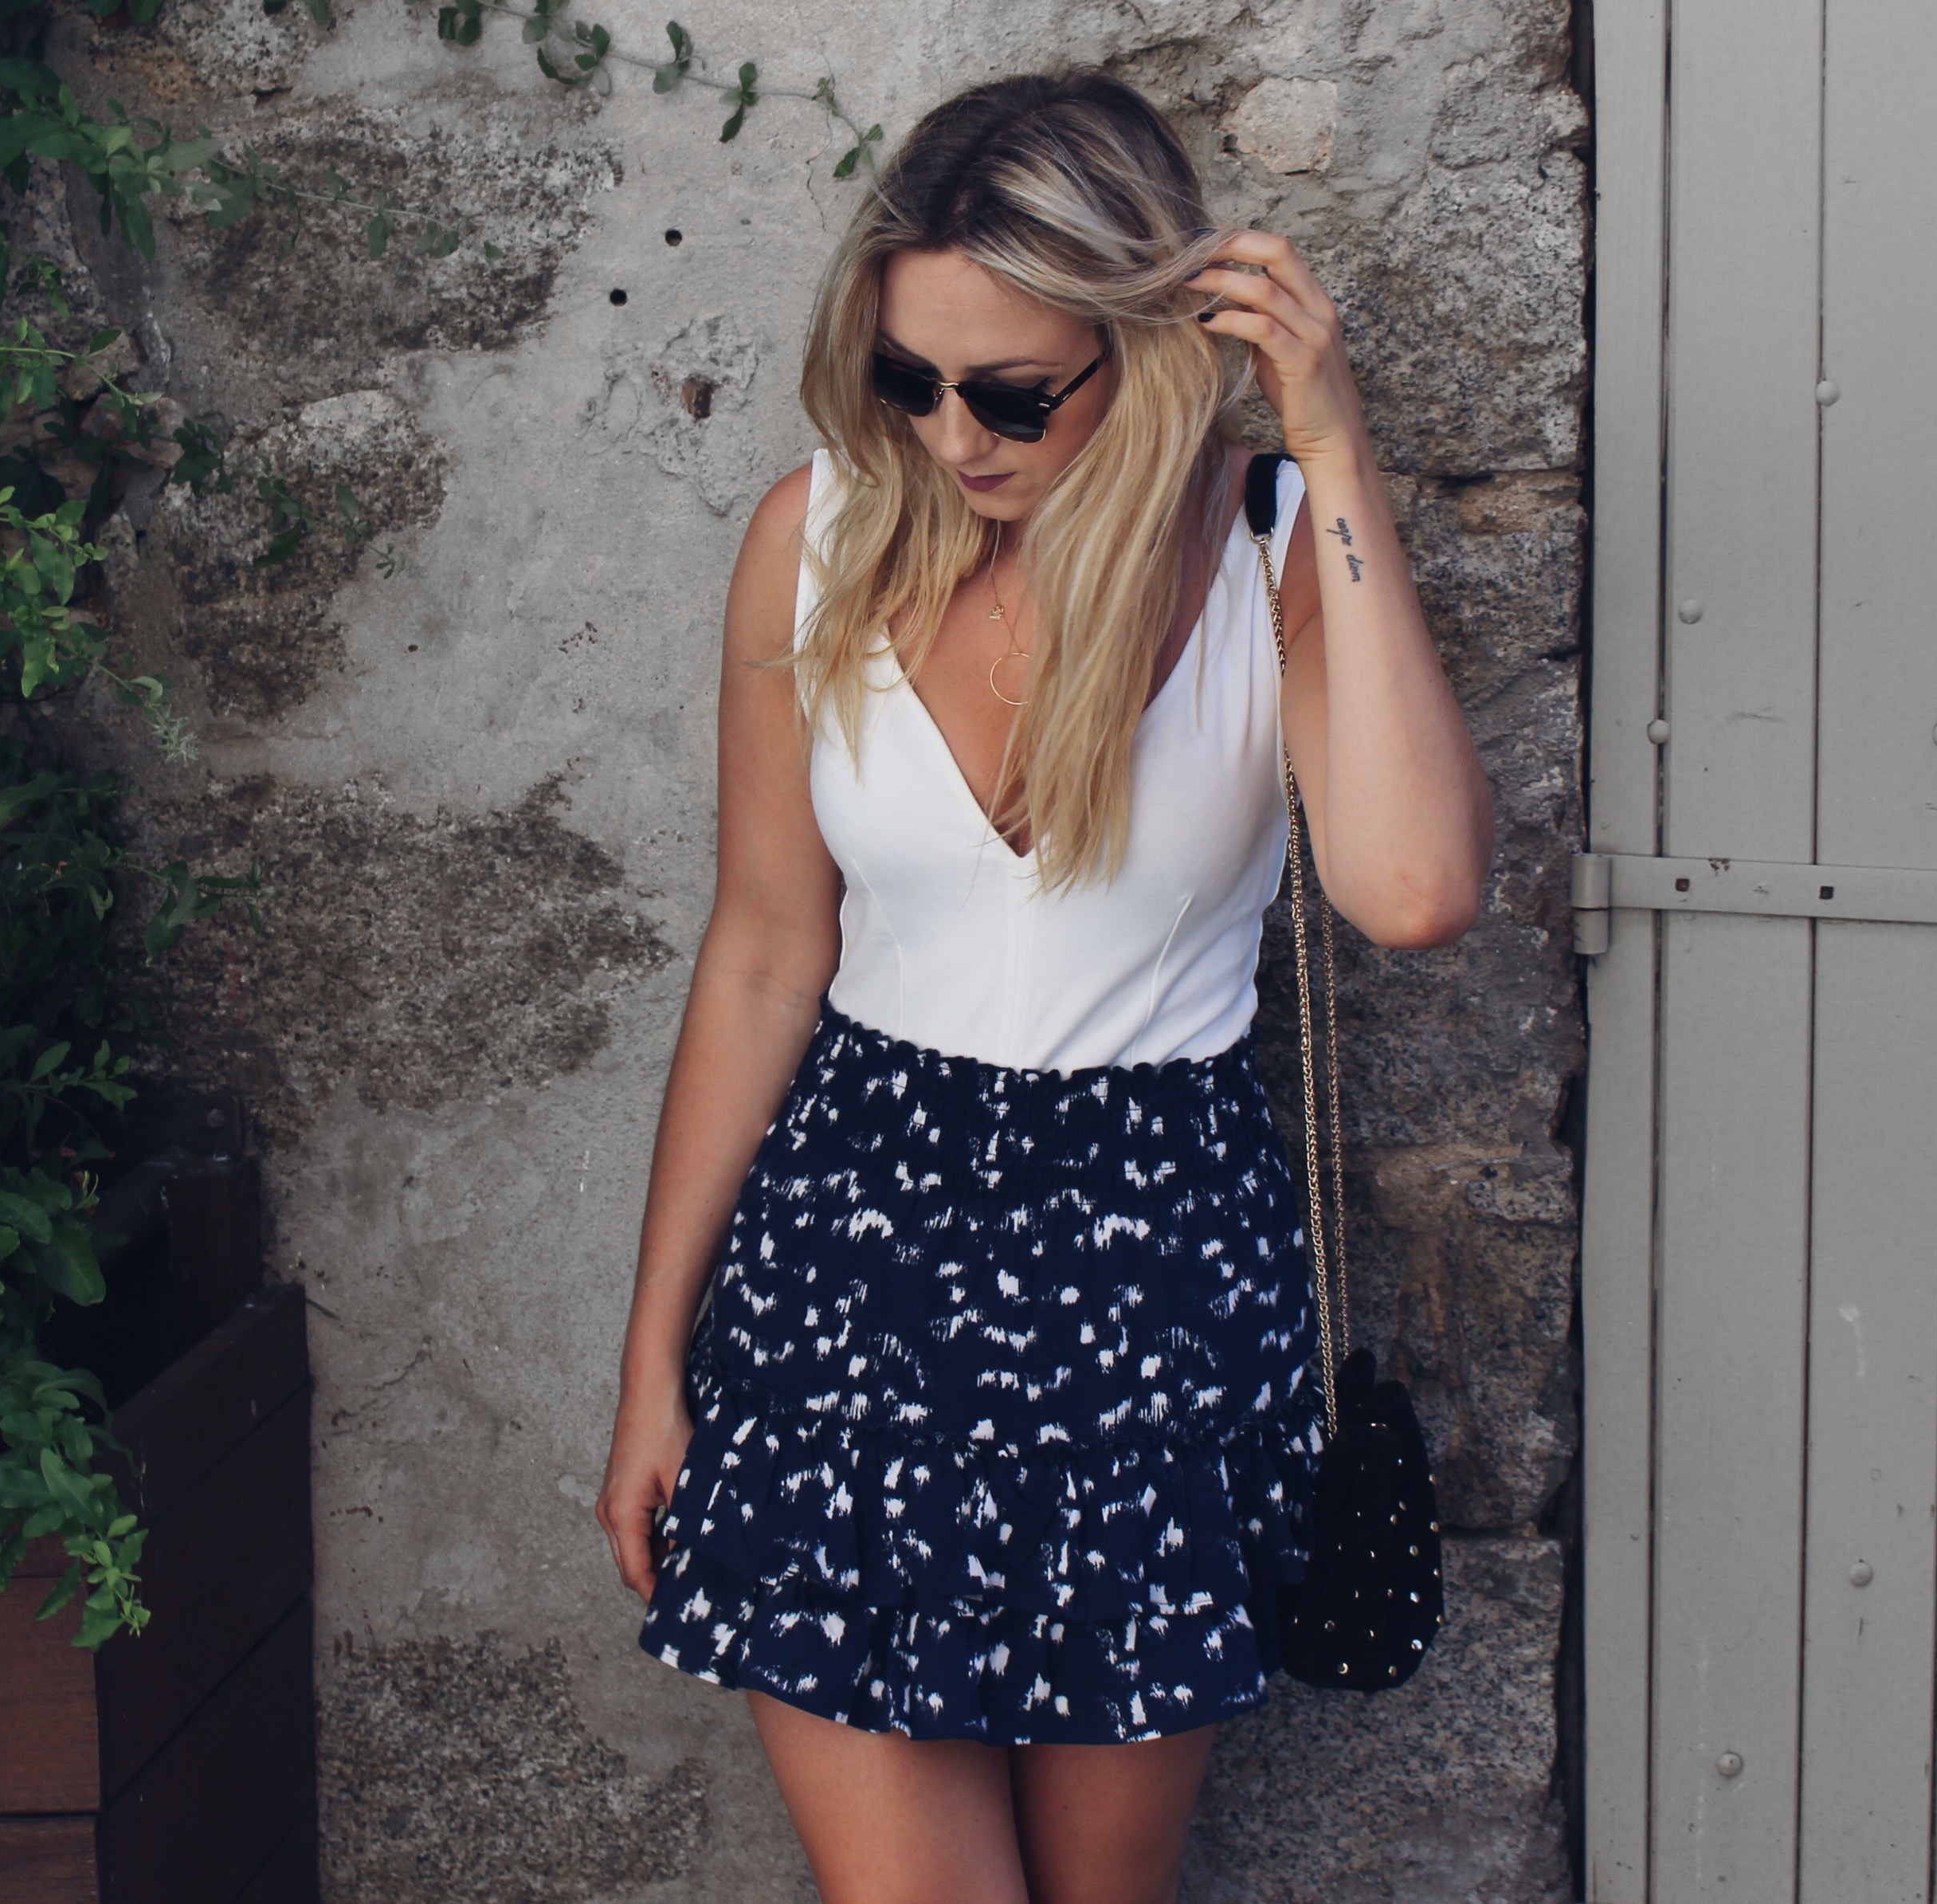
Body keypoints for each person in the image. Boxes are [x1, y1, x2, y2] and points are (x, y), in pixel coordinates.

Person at [594, 70, 1490, 1904]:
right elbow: (762, 952)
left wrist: (1329, 450)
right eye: (904, 379)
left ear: (1144, 351)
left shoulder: (1262, 552)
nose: (952, 437)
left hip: (1151, 1286)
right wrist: (651, 1360)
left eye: (1011, 392)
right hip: (847, 1277)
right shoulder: (816, 539)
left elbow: (1410, 892)